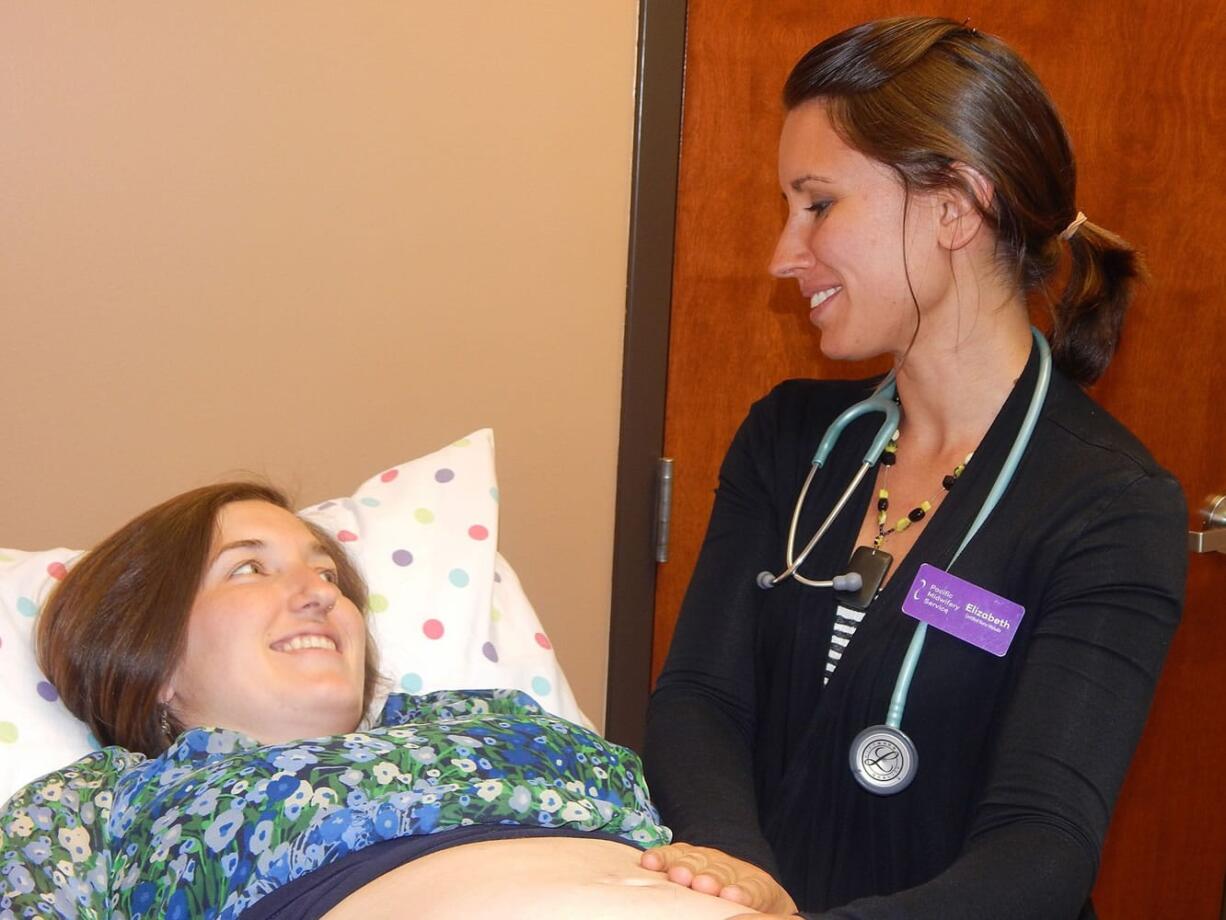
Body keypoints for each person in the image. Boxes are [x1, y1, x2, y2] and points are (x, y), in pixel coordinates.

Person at [639, 16, 1186, 920]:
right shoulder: (791, 443)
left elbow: (1040, 849)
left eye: (817, 205)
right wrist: (741, 879)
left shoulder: (1108, 508)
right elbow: (700, 698)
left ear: (955, 205)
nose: (783, 254)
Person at [0, 482, 763, 920]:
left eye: (328, 574)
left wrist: (729, 873)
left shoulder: (488, 715)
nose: (316, 593)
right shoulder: (104, 802)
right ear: (152, 655)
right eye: (247, 570)